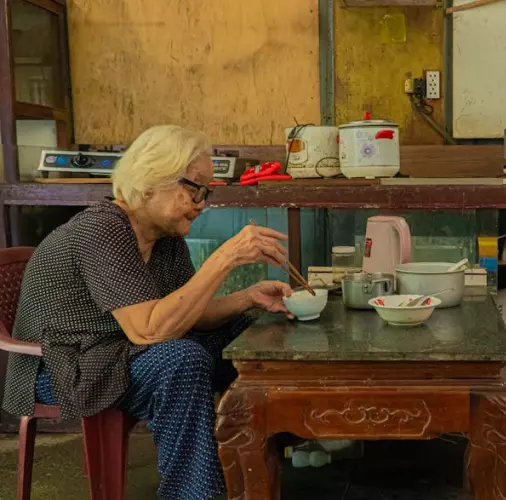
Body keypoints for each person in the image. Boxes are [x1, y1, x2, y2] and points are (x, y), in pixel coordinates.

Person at [3, 125, 294, 500]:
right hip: (65, 365)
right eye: (195, 189)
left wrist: (248, 299)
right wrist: (225, 258)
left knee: (251, 331)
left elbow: (192, 314)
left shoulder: (165, 238)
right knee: (180, 359)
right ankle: (193, 494)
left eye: (207, 191)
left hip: (120, 351)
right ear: (152, 180)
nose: (202, 202)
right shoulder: (102, 229)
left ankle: (260, 472)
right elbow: (150, 332)